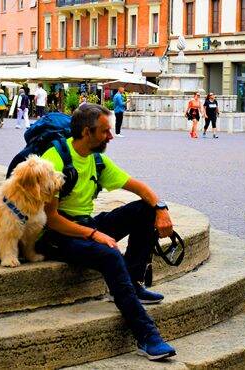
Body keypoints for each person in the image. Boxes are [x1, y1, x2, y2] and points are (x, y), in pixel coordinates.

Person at [37, 104, 177, 361]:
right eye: (105, 131)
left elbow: (138, 187)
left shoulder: (96, 159)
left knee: (144, 210)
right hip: (55, 235)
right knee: (110, 254)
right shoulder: (54, 161)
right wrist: (94, 235)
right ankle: (147, 336)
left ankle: (132, 283)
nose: (111, 137)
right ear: (87, 132)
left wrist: (160, 209)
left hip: (85, 224)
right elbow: (51, 219)